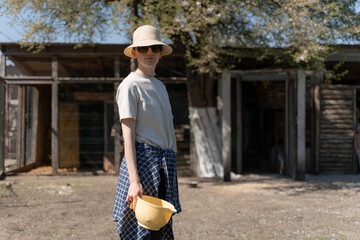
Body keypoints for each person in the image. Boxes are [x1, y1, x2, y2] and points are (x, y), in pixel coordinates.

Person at [113, 25, 182, 240]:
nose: (149, 53)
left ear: (161, 52)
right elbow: (128, 136)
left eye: (154, 48)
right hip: (143, 161)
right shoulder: (129, 85)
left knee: (160, 229)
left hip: (165, 163)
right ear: (134, 53)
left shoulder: (160, 86)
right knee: (140, 232)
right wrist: (134, 181)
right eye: (143, 49)